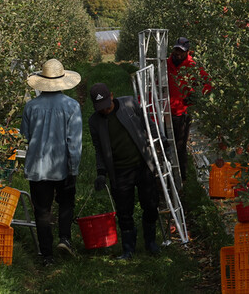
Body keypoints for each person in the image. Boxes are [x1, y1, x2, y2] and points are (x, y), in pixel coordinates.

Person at [20, 58, 83, 266]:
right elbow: (74, 142)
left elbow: (25, 136)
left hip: (37, 168)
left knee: (42, 211)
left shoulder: (31, 107)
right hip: (62, 165)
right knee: (66, 203)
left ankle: (46, 255)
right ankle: (64, 238)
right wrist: (73, 169)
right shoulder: (72, 106)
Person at [87, 82, 160, 259]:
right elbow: (99, 149)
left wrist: (160, 140)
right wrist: (101, 172)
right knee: (124, 211)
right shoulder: (94, 121)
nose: (104, 111)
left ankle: (151, 242)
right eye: (99, 108)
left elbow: (147, 124)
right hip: (119, 172)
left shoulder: (129, 105)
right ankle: (128, 248)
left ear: (111, 95)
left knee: (150, 205)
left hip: (142, 165)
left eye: (105, 106)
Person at [166, 37, 210, 183]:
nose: (177, 54)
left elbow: (207, 84)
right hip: (165, 111)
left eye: (181, 51)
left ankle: (181, 178)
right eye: (176, 50)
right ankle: (167, 174)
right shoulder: (166, 63)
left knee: (180, 146)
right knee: (165, 144)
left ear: (187, 52)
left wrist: (194, 97)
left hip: (182, 112)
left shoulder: (193, 66)